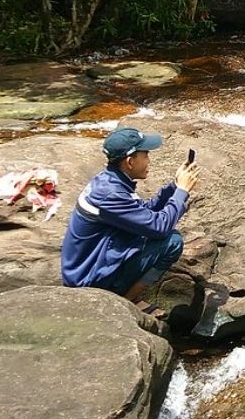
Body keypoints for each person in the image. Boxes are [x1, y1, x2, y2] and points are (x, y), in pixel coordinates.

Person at [60, 127, 200, 317]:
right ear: (130, 161)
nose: (149, 160)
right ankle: (125, 302)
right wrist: (182, 192)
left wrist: (174, 187)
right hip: (88, 281)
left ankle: (124, 296)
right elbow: (159, 227)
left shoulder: (109, 181)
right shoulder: (111, 194)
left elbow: (144, 212)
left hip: (89, 267)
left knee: (156, 236)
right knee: (172, 242)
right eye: (146, 155)